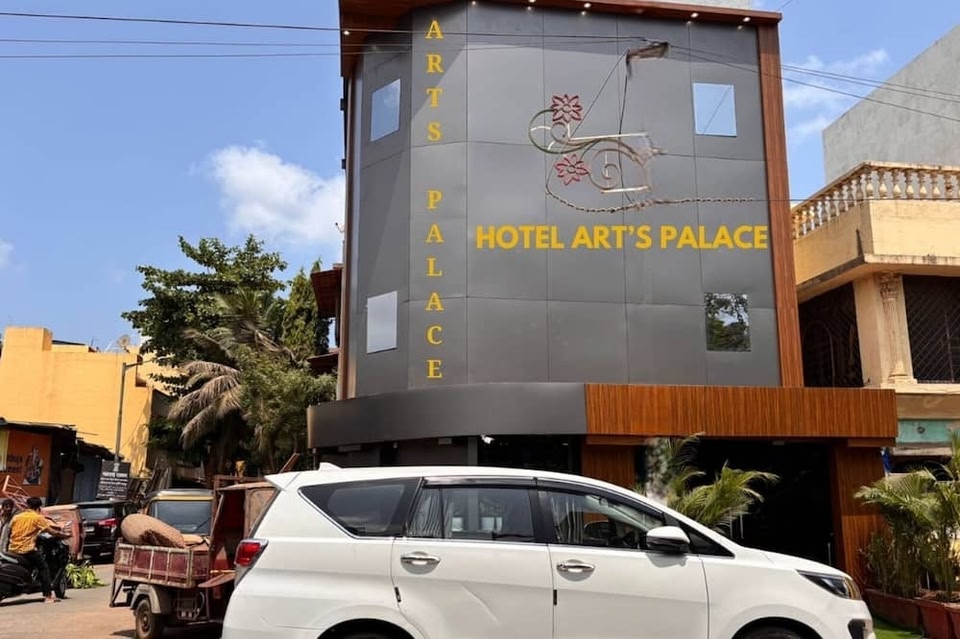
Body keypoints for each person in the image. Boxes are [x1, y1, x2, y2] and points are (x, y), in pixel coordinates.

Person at [7, 497, 69, 603]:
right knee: (43, 567)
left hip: (12, 549)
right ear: (39, 507)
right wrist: (64, 535)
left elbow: (9, 531)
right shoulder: (37, 518)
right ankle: (48, 596)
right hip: (27, 550)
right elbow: (51, 531)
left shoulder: (17, 517)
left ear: (27, 505)